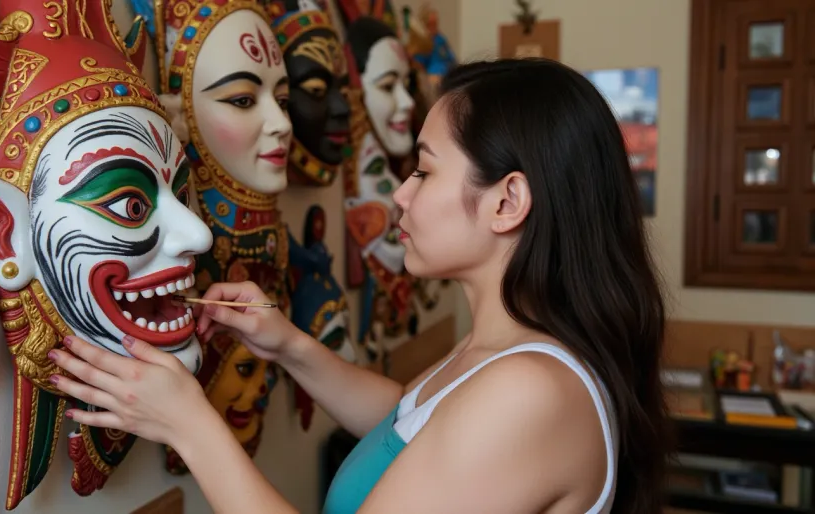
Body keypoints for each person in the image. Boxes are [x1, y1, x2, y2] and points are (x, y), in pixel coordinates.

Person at [48, 57, 670, 513]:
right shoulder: (505, 352)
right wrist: (287, 345)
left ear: (507, 201)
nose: (401, 195)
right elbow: (410, 426)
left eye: (424, 172)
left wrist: (190, 424)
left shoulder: (531, 390)